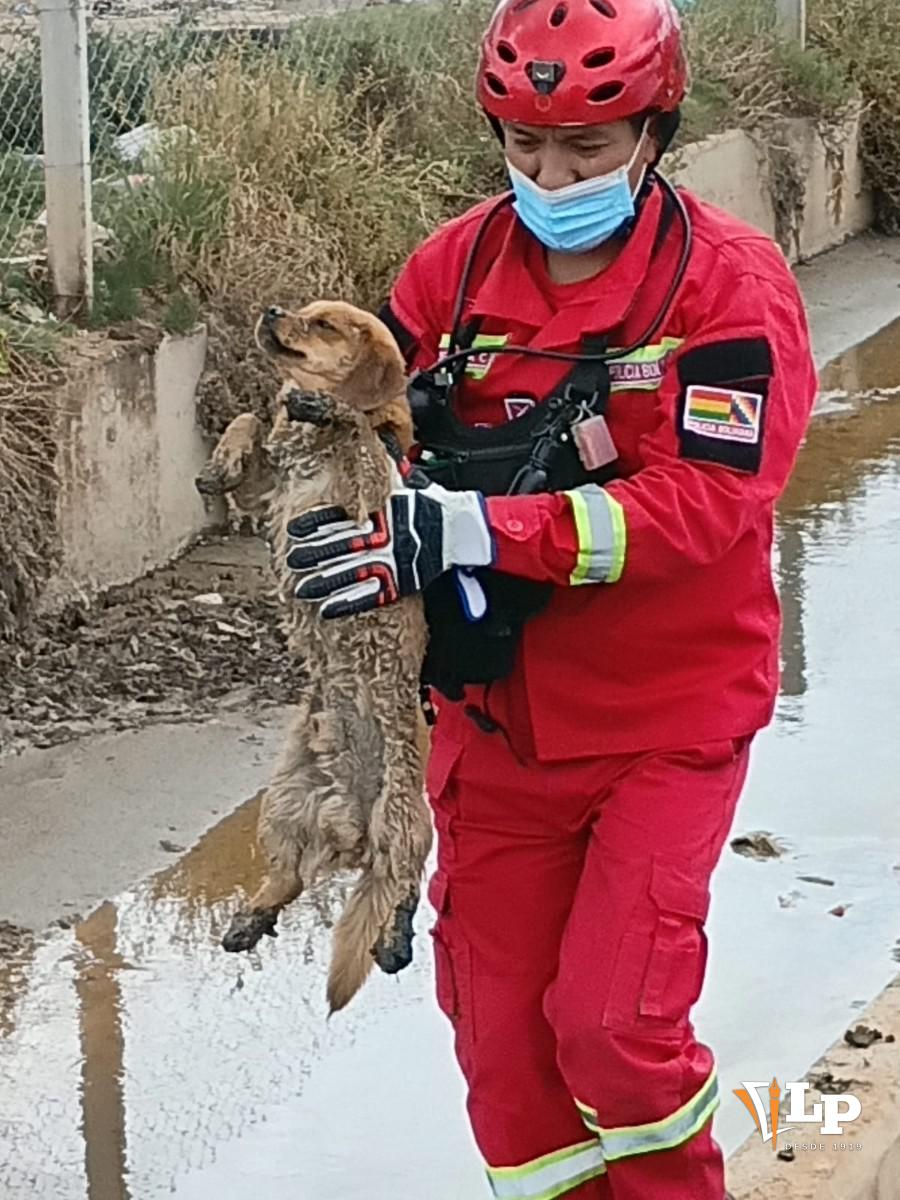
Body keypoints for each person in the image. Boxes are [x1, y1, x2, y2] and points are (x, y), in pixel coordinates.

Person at [284, 0, 817, 1196]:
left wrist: (484, 527)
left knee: (614, 1033)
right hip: (495, 730)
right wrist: (341, 515)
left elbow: (711, 502)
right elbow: (370, 428)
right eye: (525, 150)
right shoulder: (451, 270)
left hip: (662, 724)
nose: (551, 174)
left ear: (656, 130)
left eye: (587, 149)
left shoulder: (727, 290)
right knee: (508, 1061)